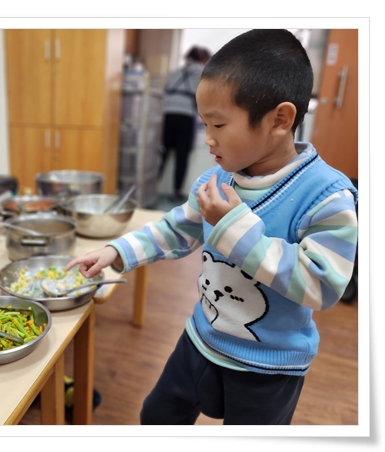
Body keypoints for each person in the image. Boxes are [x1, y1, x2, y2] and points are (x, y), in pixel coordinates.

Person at [66, 29, 358, 425]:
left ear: (279, 119)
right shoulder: (217, 179)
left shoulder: (327, 196)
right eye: (204, 124)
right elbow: (175, 231)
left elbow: (322, 285)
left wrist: (235, 228)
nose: (207, 139)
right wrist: (117, 252)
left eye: (217, 125)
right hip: (201, 339)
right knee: (156, 416)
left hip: (268, 368)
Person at [158, 45, 211, 202]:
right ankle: (176, 192)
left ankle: (150, 188)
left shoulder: (174, 72)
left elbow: (165, 90)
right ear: (203, 59)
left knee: (163, 152)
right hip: (185, 116)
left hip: (167, 115)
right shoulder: (201, 72)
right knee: (182, 155)